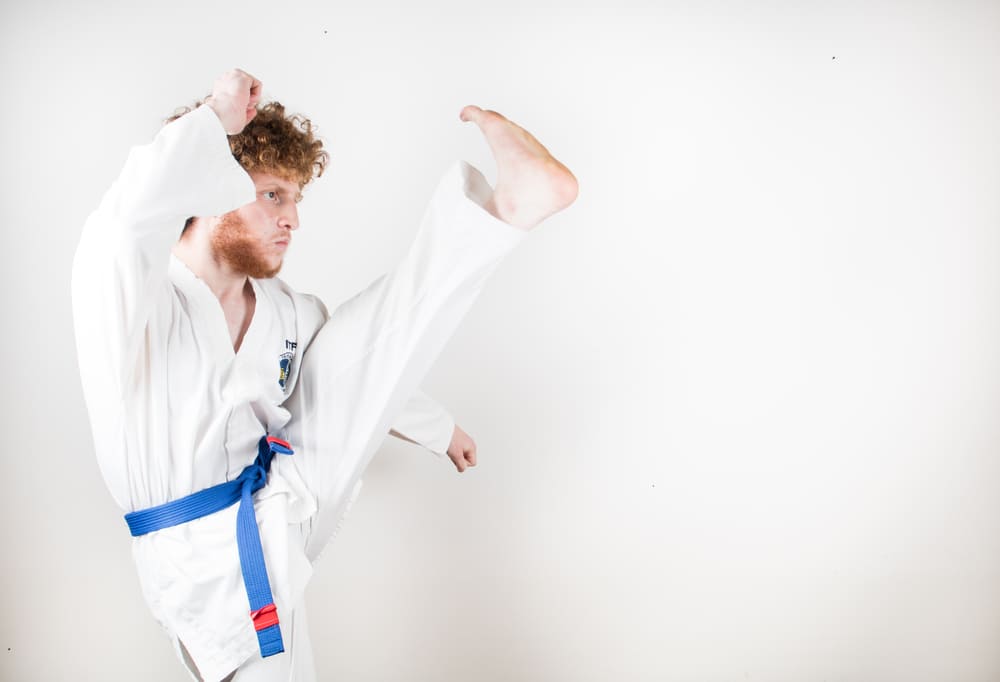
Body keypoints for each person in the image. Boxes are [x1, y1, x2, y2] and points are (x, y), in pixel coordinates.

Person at [72, 68, 577, 681]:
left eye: (295, 200)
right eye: (272, 195)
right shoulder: (138, 298)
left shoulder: (286, 311)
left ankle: (507, 209)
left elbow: (361, 371)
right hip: (195, 557)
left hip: (279, 502)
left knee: (347, 341)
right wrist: (213, 120)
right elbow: (127, 221)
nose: (292, 219)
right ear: (206, 189)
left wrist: (440, 428)